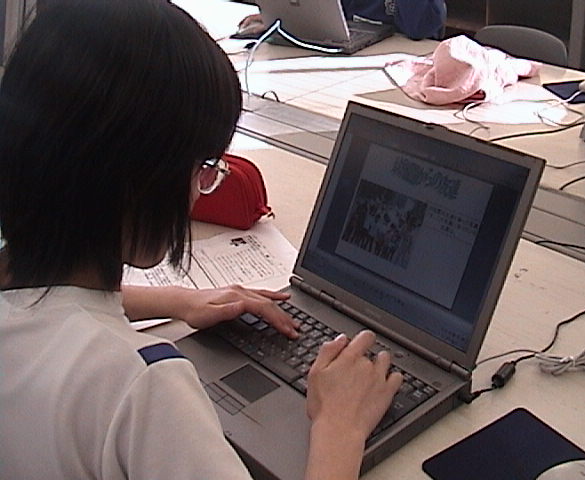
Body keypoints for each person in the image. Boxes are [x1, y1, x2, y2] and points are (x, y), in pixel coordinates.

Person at [0, 1, 402, 479]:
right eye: (205, 167)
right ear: (145, 181)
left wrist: (178, 301)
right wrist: (340, 428)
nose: (200, 188)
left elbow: (48, 303)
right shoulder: (144, 386)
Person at [238, 0, 446, 41]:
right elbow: (329, 10)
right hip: (349, 47)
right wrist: (282, 15)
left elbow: (420, 29)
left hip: (403, 63)